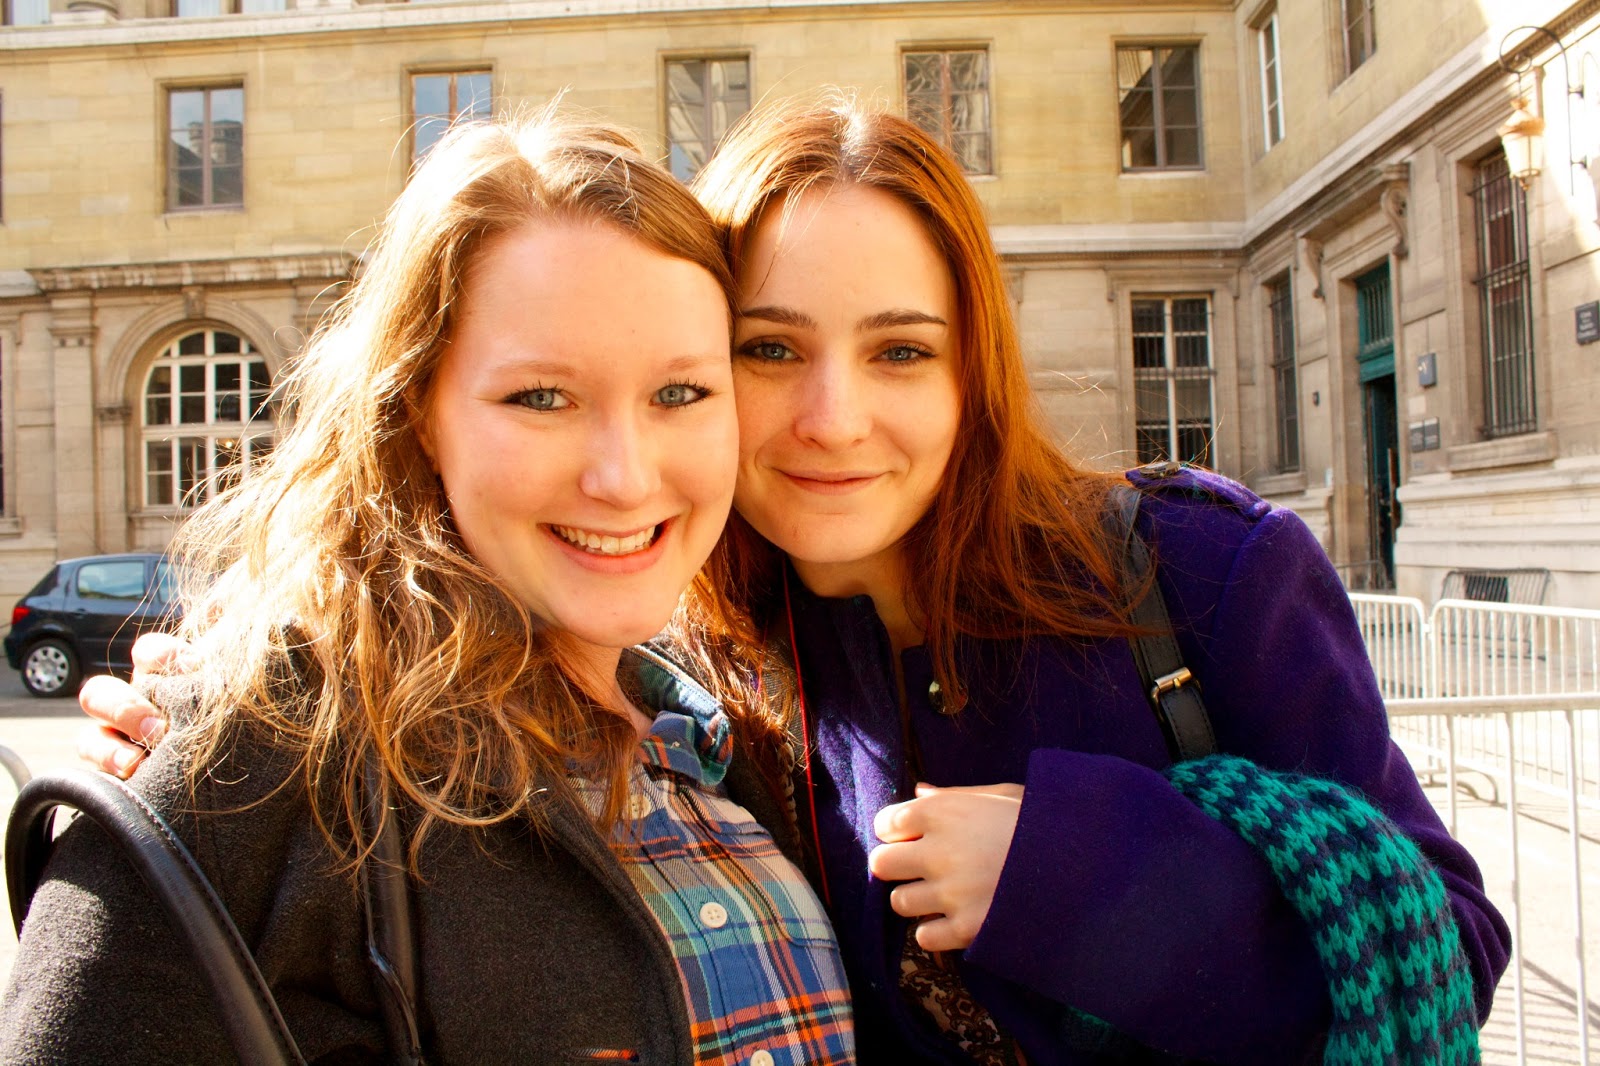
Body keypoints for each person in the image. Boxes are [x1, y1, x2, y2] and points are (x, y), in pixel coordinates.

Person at [78, 98, 1511, 1065]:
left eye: (900, 351)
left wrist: (1077, 872)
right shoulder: (705, 646)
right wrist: (233, 714)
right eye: (768, 351)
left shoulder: (1193, 571)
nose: (832, 418)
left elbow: (1446, 946)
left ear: (972, 369)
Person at [3, 108, 855, 1065]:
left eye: (680, 393)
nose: (624, 477)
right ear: (418, 414)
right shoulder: (261, 761)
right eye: (542, 398)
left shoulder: (722, 726)